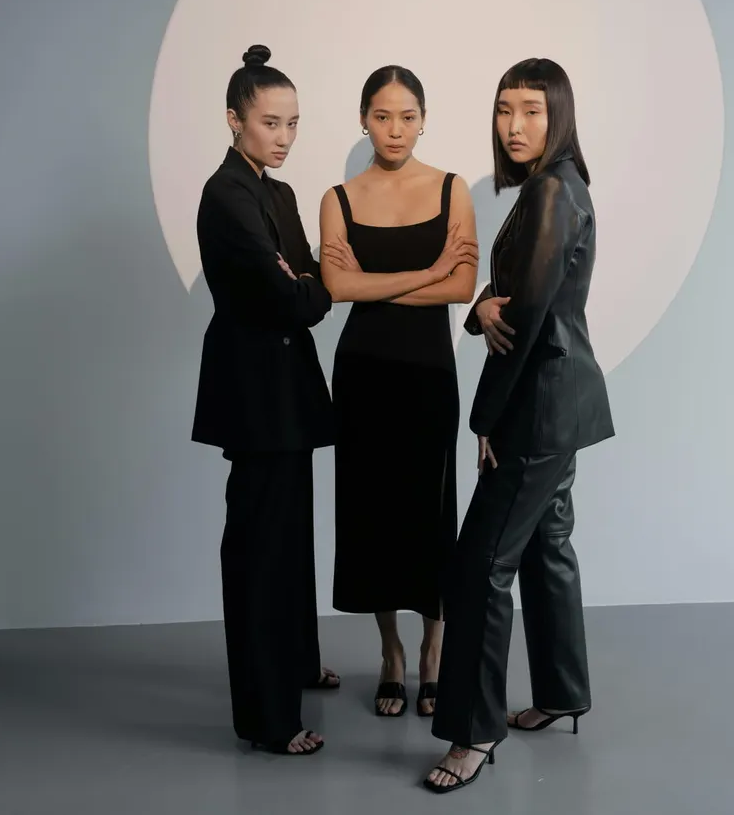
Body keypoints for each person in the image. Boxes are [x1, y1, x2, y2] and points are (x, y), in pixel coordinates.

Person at [423, 58, 615, 793]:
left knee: (479, 568)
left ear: (558, 114)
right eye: (505, 109)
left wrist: (484, 416)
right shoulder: (558, 187)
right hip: (564, 399)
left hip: (537, 406)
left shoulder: (550, 192)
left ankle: (473, 733)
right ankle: (564, 692)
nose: (514, 125)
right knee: (546, 547)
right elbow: (510, 302)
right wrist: (480, 308)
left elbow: (524, 320)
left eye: (531, 110)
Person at [192, 45, 341, 757]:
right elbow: (297, 294)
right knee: (257, 553)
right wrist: (302, 283)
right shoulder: (225, 194)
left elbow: (314, 279)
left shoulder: (276, 194)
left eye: (293, 123)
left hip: (286, 391)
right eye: (271, 122)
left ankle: (295, 668)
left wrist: (303, 281)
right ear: (234, 120)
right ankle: (267, 717)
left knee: (288, 543)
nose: (284, 136)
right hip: (253, 393)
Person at [318, 66, 479, 719]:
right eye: (382, 116)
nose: (395, 129)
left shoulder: (451, 189)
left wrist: (378, 280)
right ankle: (391, 652)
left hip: (429, 372)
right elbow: (334, 289)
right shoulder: (339, 197)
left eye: (407, 116)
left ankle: (434, 649)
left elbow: (462, 287)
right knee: (372, 513)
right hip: (363, 372)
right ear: (363, 119)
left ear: (424, 119)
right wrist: (428, 270)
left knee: (429, 510)